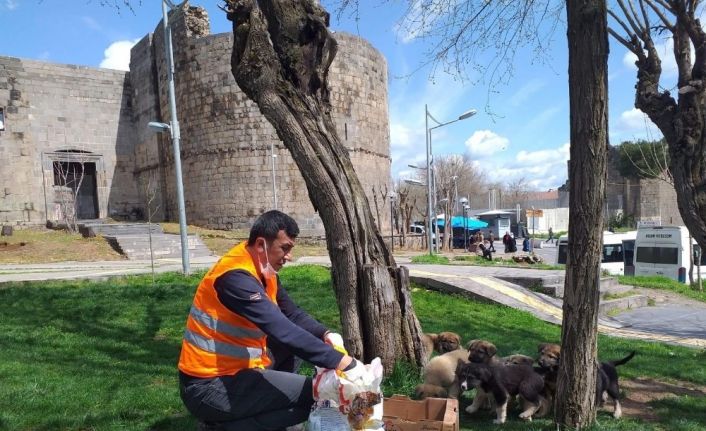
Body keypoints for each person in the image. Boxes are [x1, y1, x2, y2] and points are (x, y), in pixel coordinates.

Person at [178, 210, 365, 431]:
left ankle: (246, 416)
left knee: (299, 356)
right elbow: (282, 329)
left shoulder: (262, 270)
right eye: (284, 248)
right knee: (318, 393)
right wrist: (343, 363)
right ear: (261, 245)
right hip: (208, 386)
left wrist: (326, 334)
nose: (289, 256)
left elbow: (292, 314)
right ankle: (220, 427)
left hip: (236, 371)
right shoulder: (235, 279)